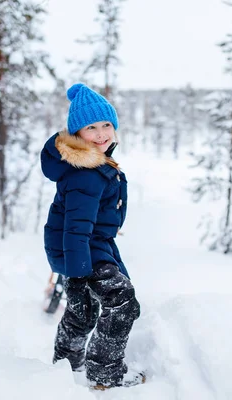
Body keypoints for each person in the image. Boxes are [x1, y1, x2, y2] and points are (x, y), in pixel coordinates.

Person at [40, 83, 144, 389]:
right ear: (77, 134)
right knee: (122, 301)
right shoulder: (86, 172)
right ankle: (105, 376)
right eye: (91, 127)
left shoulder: (93, 164)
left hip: (86, 246)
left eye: (106, 125)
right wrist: (78, 274)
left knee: (82, 311)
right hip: (82, 249)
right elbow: (76, 226)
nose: (101, 134)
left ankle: (65, 369)